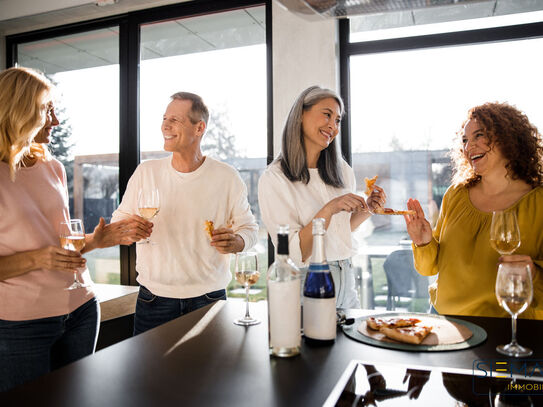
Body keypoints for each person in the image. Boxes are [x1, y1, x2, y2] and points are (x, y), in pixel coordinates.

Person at [0, 67, 151, 392]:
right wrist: (38, 259)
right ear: (18, 111)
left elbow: (60, 247)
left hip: (81, 310)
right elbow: (44, 255)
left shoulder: (51, 167)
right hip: (22, 324)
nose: (55, 120)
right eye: (46, 110)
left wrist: (97, 240)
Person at [111, 91, 258, 335]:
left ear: (199, 128)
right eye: (164, 118)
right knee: (150, 374)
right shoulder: (146, 172)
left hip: (209, 300)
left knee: (209, 373)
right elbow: (119, 222)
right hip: (153, 302)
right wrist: (129, 229)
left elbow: (249, 229)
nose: (165, 126)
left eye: (175, 120)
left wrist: (238, 241)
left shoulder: (226, 176)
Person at [404, 102, 543, 318]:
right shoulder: (456, 194)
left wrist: (533, 273)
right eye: (465, 140)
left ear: (508, 138)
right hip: (446, 321)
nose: (469, 147)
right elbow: (429, 269)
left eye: (479, 136)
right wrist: (423, 242)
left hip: (508, 329)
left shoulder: (539, 203)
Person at [258, 86, 386, 309]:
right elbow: (294, 253)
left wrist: (368, 210)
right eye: (327, 114)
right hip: (308, 280)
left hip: (346, 277)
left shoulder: (342, 170)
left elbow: (341, 229)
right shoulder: (275, 179)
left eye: (337, 120)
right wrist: (329, 209)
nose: (333, 126)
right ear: (300, 114)